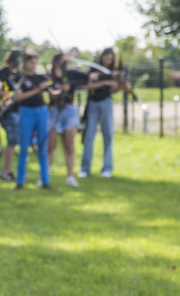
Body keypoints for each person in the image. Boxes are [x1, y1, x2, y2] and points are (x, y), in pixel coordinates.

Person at [14, 51, 51, 189]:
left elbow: (51, 93)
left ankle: (45, 180)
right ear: (25, 63)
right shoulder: (19, 78)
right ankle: (20, 182)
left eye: (35, 62)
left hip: (42, 111)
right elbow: (19, 97)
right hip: (26, 112)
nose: (34, 65)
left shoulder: (40, 77)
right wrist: (37, 90)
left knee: (43, 147)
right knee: (24, 148)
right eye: (31, 62)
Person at [80, 47, 118, 178]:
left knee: (108, 135)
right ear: (101, 57)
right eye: (106, 57)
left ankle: (107, 168)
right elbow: (88, 86)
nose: (108, 60)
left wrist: (117, 85)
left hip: (106, 102)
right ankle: (85, 168)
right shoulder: (93, 69)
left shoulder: (113, 71)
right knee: (89, 136)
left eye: (110, 58)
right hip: (93, 103)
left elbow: (115, 89)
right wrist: (103, 82)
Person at [46, 52, 80, 187]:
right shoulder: (49, 78)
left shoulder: (70, 76)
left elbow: (88, 77)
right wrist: (60, 91)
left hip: (70, 111)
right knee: (50, 146)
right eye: (62, 62)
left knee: (70, 145)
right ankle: (45, 176)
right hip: (54, 112)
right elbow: (51, 93)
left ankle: (70, 176)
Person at [0, 50, 23, 182]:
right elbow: (1, 90)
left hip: (17, 110)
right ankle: (6, 171)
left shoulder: (19, 75)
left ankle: (8, 170)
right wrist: (6, 95)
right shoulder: (1, 74)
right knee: (11, 141)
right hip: (6, 112)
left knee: (13, 142)